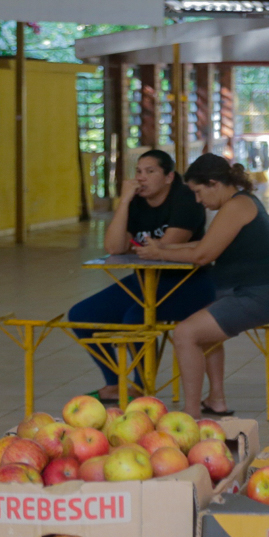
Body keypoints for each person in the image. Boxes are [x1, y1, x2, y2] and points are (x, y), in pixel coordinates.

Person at [135, 154, 269, 415]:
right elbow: (206, 243)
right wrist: (164, 246)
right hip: (255, 293)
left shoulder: (237, 206)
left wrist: (160, 254)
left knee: (186, 334)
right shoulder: (236, 204)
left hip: (261, 295)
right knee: (202, 331)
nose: (198, 200)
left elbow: (202, 256)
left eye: (199, 192)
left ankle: (190, 413)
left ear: (214, 184)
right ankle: (216, 400)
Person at [68, 149, 224, 409]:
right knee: (82, 314)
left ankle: (142, 387)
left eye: (150, 172)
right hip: (145, 282)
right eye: (138, 172)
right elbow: (115, 248)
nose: (142, 178)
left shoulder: (185, 198)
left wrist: (149, 248)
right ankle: (116, 383)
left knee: (136, 318)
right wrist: (124, 202)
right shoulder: (136, 202)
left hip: (190, 284)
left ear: (168, 177)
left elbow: (166, 248)